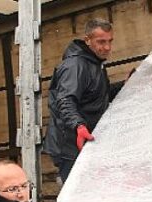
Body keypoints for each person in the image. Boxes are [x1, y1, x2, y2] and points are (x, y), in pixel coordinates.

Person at [45, 18, 120, 182]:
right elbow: (65, 100)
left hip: (86, 142)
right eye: (101, 42)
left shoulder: (96, 64)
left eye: (110, 41)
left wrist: (126, 85)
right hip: (71, 146)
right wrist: (79, 125)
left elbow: (101, 95)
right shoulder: (76, 66)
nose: (107, 47)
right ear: (88, 40)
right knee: (76, 196)